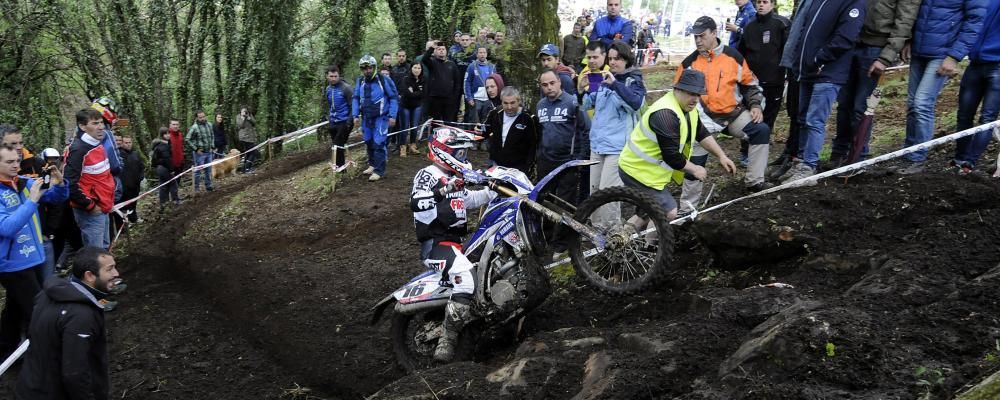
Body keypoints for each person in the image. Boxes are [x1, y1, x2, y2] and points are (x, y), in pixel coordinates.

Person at [410, 127, 495, 362]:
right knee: (467, 278)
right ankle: (446, 341)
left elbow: (470, 199)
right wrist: (447, 187)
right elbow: (416, 203)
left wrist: (494, 190)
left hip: (456, 244)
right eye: (459, 153)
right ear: (445, 152)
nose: (463, 158)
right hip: (436, 244)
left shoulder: (455, 179)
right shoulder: (427, 174)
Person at [675, 16, 773, 206]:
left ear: (714, 33)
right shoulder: (688, 63)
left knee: (761, 130)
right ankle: (687, 208)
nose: (697, 41)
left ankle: (754, 182)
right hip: (701, 119)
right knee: (695, 162)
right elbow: (676, 95)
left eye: (702, 36)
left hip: (732, 115)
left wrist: (754, 105)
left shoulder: (733, 57)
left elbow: (750, 84)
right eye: (695, 37)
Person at [619, 69, 737, 220]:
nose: (695, 99)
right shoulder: (665, 114)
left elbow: (701, 133)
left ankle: (624, 238)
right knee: (669, 211)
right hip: (636, 171)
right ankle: (653, 243)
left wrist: (722, 156)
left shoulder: (688, 108)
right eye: (691, 93)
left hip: (651, 173)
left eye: (698, 94)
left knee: (647, 211)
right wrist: (695, 169)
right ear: (677, 89)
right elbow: (672, 157)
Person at [827, 0, 920, 173]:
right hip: (850, 43)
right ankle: (838, 154)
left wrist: (886, 56)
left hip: (876, 49)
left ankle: (857, 158)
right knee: (844, 104)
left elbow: (905, 20)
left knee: (861, 107)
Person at [894, 0, 986, 174]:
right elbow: (914, 10)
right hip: (920, 50)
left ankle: (918, 158)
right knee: (913, 104)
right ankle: (908, 154)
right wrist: (908, 40)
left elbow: (974, 22)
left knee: (922, 104)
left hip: (943, 54)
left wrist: (954, 56)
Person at [778, 0, 865, 184]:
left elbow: (846, 37)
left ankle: (810, 165)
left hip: (828, 72)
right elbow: (803, 31)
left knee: (814, 120)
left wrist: (819, 58)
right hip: (806, 70)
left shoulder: (854, 3)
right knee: (802, 119)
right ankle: (800, 161)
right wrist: (798, 61)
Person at [15, 247, 119, 400]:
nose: (116, 274)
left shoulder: (46, 295)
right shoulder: (82, 316)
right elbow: (75, 373)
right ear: (89, 276)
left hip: (30, 384)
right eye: (109, 269)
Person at [0, 144, 68, 360]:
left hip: (34, 256)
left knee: (14, 310)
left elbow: (56, 198)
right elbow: (8, 228)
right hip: (11, 264)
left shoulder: (24, 183)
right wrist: (32, 201)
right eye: (9, 162)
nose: (15, 165)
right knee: (38, 310)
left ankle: (7, 353)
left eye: (17, 161)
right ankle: (42, 357)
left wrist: (59, 182)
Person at [582, 40, 645, 224]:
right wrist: (582, 90)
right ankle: (595, 233)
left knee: (608, 192)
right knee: (594, 191)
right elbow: (589, 104)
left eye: (617, 58)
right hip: (597, 144)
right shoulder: (604, 78)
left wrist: (615, 85)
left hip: (617, 147)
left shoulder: (634, 79)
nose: (613, 62)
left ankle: (612, 236)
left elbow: (635, 104)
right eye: (610, 58)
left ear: (626, 59)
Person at [536, 70, 590, 235]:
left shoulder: (573, 103)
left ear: (559, 82)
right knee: (544, 199)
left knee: (565, 203)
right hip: (545, 161)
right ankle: (546, 235)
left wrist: (579, 158)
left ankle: (562, 242)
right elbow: (538, 133)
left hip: (567, 161)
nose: (549, 87)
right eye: (545, 85)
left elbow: (586, 130)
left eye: (552, 83)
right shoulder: (540, 105)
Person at [738, 0, 791, 166]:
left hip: (774, 81)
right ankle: (745, 153)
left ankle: (760, 154)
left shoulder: (781, 24)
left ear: (772, 4)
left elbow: (788, 51)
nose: (761, 5)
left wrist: (786, 74)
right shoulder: (749, 27)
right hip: (751, 84)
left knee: (767, 119)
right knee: (749, 117)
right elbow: (740, 54)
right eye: (759, 2)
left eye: (765, 2)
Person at [952, 0, 1000, 174]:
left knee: (987, 118)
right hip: (974, 63)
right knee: (964, 114)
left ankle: (969, 162)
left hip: (998, 66)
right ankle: (960, 158)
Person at [66, 109, 116, 249]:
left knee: (105, 248)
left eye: (101, 122)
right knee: (95, 254)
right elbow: (69, 184)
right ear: (82, 126)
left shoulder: (97, 144)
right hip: (91, 211)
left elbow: (103, 177)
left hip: (104, 206)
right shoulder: (78, 149)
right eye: (95, 123)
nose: (101, 127)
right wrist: (90, 206)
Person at [353, 54, 399, 182]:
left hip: (381, 117)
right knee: (368, 141)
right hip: (366, 117)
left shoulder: (383, 80)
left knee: (378, 142)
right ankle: (372, 165)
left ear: (374, 67)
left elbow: (393, 98)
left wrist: (392, 115)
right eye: (364, 68)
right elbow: (356, 98)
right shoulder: (360, 81)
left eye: (369, 68)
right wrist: (355, 115)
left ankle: (380, 170)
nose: (367, 70)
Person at [486, 86, 539, 174]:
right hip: (496, 163)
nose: (509, 107)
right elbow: (485, 131)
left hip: (518, 167)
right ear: (501, 102)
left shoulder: (528, 118)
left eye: (512, 103)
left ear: (519, 101)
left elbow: (534, 145)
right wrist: (479, 129)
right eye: (505, 103)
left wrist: (528, 167)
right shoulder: (495, 113)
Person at [422, 40, 459, 123]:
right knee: (436, 122)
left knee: (448, 121)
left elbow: (457, 82)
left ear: (446, 51)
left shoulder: (452, 64)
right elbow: (424, 59)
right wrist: (432, 47)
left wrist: (454, 96)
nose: (441, 50)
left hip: (449, 98)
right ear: (435, 52)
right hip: (435, 98)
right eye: (439, 49)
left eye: (443, 49)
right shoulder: (432, 62)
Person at [325, 66, 354, 169]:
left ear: (339, 76)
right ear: (327, 76)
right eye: (331, 76)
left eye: (335, 76)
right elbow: (330, 105)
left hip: (344, 121)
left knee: (336, 146)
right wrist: (330, 119)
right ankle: (341, 169)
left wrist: (349, 122)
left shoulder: (346, 88)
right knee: (338, 146)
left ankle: (338, 170)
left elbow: (353, 106)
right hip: (333, 121)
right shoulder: (328, 89)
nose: (333, 78)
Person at [464, 47, 497, 125]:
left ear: (487, 54)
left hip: (488, 99)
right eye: (480, 53)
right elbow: (466, 82)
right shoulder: (472, 66)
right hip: (475, 99)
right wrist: (469, 97)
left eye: (484, 53)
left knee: (486, 121)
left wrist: (495, 98)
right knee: (474, 122)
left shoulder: (492, 67)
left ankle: (484, 137)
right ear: (477, 54)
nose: (482, 54)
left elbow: (496, 83)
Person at [399, 62, 425, 155]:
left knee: (414, 126)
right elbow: (406, 93)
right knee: (405, 127)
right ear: (411, 68)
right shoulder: (406, 79)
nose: (417, 70)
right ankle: (402, 146)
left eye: (419, 68)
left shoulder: (423, 80)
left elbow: (424, 93)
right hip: (405, 105)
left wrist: (414, 92)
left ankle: (412, 145)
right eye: (415, 67)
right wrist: (418, 91)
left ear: (421, 70)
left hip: (417, 106)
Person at [150, 127, 179, 210]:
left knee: (163, 185)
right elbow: (167, 159)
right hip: (164, 168)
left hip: (159, 167)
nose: (168, 135)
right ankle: (175, 200)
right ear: (162, 135)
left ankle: (164, 203)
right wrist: (171, 170)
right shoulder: (163, 145)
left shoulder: (161, 144)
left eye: (168, 133)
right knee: (172, 183)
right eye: (166, 134)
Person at [186, 110, 214, 192]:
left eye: (203, 116)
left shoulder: (209, 125)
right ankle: (196, 188)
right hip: (200, 153)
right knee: (198, 171)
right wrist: (196, 149)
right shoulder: (194, 127)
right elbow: (188, 139)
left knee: (208, 170)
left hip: (208, 152)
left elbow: (212, 136)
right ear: (197, 118)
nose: (202, 118)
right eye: (200, 117)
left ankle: (208, 186)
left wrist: (212, 146)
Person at [119, 136, 144, 224]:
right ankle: (124, 223)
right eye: (126, 143)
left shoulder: (135, 154)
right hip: (124, 185)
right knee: (124, 205)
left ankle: (134, 218)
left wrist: (141, 177)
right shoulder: (119, 155)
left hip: (135, 184)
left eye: (129, 142)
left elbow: (141, 166)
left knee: (133, 203)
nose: (128, 144)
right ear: (122, 143)